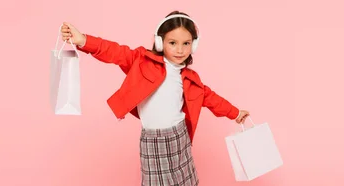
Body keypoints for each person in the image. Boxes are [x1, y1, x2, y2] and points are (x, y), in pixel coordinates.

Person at [60, 10, 250, 186]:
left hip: (179, 137)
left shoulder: (189, 78)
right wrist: (83, 40)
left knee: (186, 182)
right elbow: (115, 51)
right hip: (151, 139)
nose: (180, 50)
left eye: (186, 43)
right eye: (172, 43)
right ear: (160, 42)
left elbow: (212, 98)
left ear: (194, 44)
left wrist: (235, 113)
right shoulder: (141, 61)